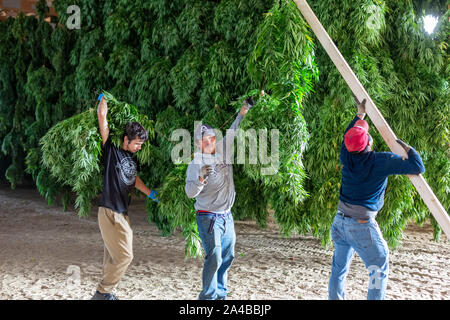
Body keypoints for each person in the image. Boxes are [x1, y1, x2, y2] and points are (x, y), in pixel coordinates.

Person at [328, 96, 425, 300]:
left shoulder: (346, 155)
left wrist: (359, 115)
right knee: (379, 266)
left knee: (339, 269)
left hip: (339, 222)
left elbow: (349, 135)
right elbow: (418, 167)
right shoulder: (380, 161)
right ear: (368, 144)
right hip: (361, 225)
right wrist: (409, 149)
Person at [185, 97, 254, 300]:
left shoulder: (223, 149)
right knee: (214, 256)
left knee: (228, 255)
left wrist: (243, 111)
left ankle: (220, 293)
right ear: (199, 143)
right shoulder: (196, 164)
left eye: (213, 138)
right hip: (208, 217)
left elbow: (233, 129)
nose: (211, 142)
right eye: (206, 140)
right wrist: (200, 179)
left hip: (226, 216)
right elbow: (190, 193)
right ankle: (207, 297)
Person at [91, 93, 159, 300]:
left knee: (112, 256)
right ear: (126, 140)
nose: (139, 148)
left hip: (123, 212)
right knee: (125, 256)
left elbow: (133, 179)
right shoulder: (111, 151)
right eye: (137, 143)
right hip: (109, 211)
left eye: (141, 145)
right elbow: (102, 120)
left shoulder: (131, 158)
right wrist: (104, 100)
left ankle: (106, 293)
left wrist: (151, 194)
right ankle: (102, 293)